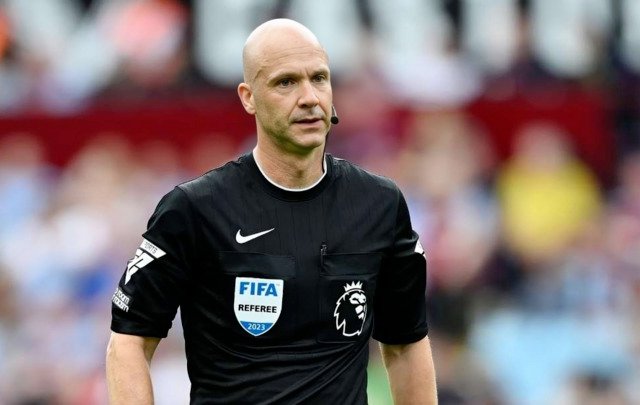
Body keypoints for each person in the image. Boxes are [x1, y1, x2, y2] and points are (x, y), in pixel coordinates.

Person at [106, 18, 437, 404]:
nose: (309, 97)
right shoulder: (195, 209)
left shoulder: (379, 205)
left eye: (319, 78)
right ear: (248, 97)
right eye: (286, 82)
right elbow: (128, 342)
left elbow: (406, 345)